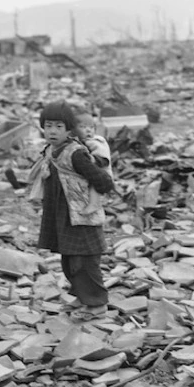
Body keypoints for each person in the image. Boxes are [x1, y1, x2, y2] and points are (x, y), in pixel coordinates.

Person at [35, 101, 114, 320]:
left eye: (59, 127)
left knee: (85, 262)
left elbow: (104, 182)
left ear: (69, 129)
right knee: (69, 262)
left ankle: (97, 304)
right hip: (63, 216)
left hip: (82, 216)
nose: (52, 131)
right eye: (48, 125)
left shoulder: (76, 153)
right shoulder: (52, 150)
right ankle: (82, 297)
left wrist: (92, 201)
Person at [72, 110, 112, 214]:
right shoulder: (81, 141)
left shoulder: (97, 141)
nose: (88, 130)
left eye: (91, 127)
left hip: (102, 172)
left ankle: (94, 204)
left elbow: (104, 158)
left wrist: (93, 159)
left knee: (95, 186)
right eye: (83, 127)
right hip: (92, 171)